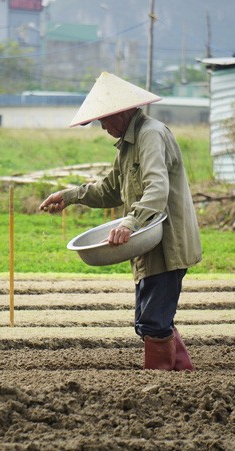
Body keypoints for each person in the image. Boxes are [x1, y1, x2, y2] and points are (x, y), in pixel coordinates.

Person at [39, 72, 202, 371]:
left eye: (104, 120)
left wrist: (129, 223)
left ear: (122, 111)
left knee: (153, 321)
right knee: (148, 319)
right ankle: (181, 374)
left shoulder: (151, 134)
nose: (102, 127)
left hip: (167, 244)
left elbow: (156, 188)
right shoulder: (128, 145)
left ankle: (162, 380)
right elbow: (111, 190)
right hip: (147, 244)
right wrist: (71, 195)